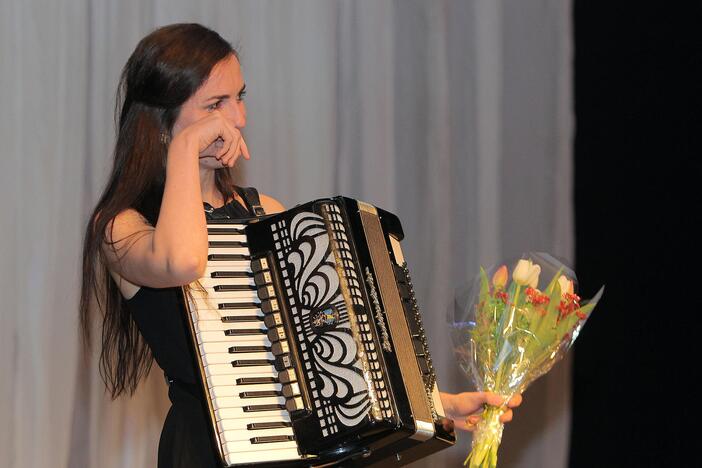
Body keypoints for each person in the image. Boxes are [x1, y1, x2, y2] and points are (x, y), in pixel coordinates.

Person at [79, 23, 521, 468]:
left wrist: (435, 403)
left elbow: (326, 347)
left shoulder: (264, 211)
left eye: (240, 97)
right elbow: (184, 260)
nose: (237, 119)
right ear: (161, 121)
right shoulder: (121, 226)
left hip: (295, 447)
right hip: (204, 452)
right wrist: (183, 150)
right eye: (216, 104)